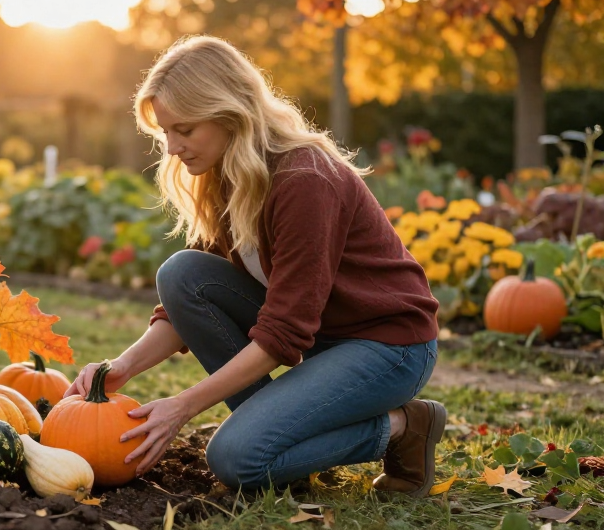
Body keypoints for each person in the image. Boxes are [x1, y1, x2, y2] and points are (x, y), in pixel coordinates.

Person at [62, 35, 445, 498]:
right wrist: (121, 367)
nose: (172, 149)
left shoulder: (305, 180)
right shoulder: (227, 172)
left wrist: (182, 406)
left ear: (230, 114)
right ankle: (280, 438)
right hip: (324, 337)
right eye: (165, 133)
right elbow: (187, 303)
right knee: (181, 273)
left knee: (236, 460)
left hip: (387, 346)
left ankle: (406, 424)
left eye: (184, 129)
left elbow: (283, 331)